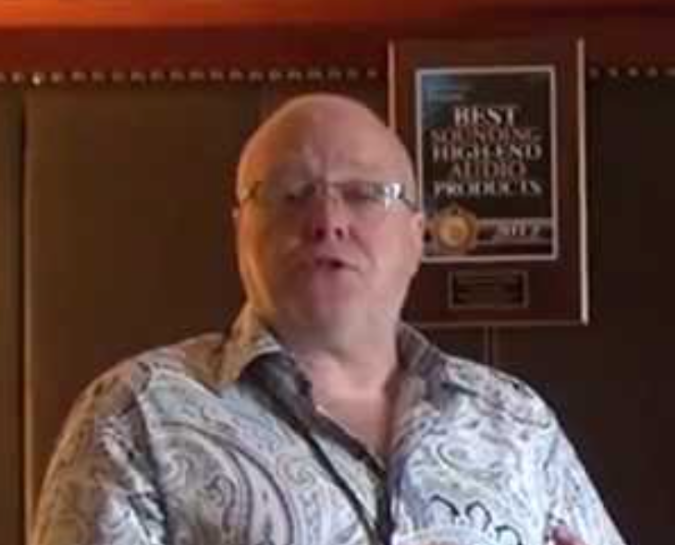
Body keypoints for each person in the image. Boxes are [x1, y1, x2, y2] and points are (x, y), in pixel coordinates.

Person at [31, 93, 626, 545]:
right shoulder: (136, 413)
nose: (327, 221)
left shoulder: (516, 421)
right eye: (290, 193)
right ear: (240, 230)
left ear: (417, 237)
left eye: (365, 194)